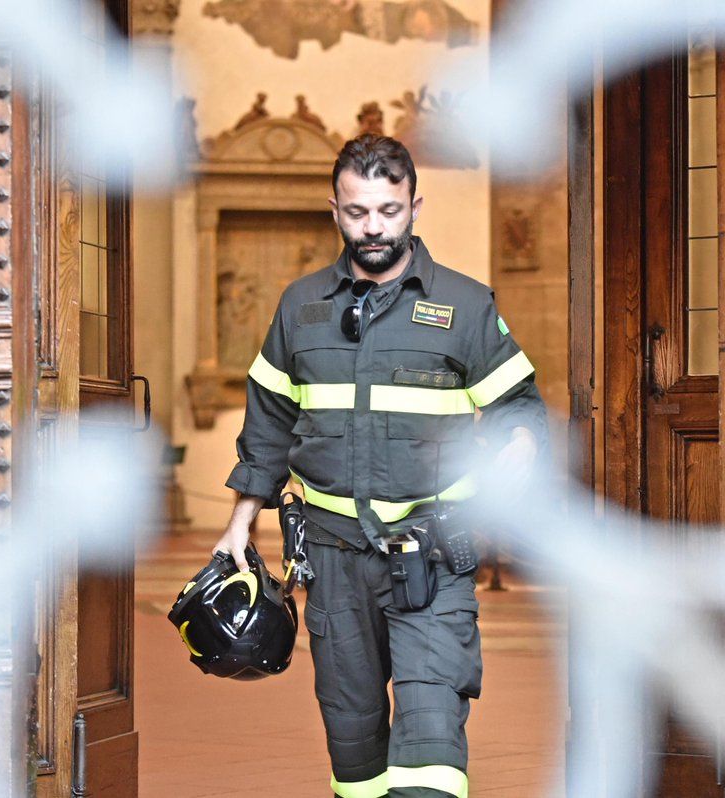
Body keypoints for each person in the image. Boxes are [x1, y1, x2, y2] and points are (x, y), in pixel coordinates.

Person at [216, 134, 547, 798]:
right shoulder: (298, 309)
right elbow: (270, 426)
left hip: (433, 559)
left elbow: (519, 406)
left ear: (414, 206)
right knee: (355, 750)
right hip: (332, 562)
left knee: (429, 746)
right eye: (356, 211)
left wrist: (519, 444)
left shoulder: (464, 306)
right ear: (333, 209)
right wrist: (238, 525)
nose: (373, 227)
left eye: (388, 211)